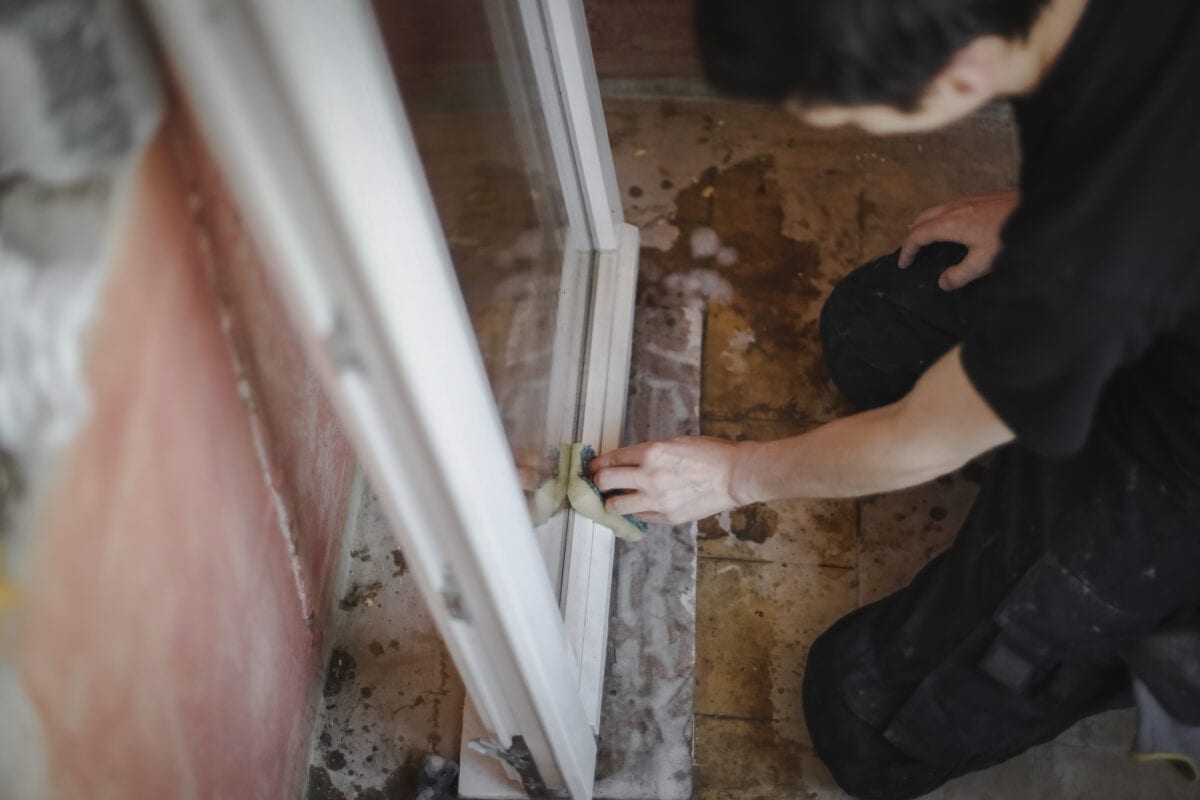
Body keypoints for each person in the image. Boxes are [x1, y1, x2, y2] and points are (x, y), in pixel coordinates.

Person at [587, 0, 1200, 796]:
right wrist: (1034, 206)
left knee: (866, 722)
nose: (839, 126)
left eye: (848, 112)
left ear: (961, 69)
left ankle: (1151, 631)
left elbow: (922, 438)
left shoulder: (1090, 264)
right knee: (871, 329)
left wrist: (735, 475)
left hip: (1174, 460)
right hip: (1153, 304)